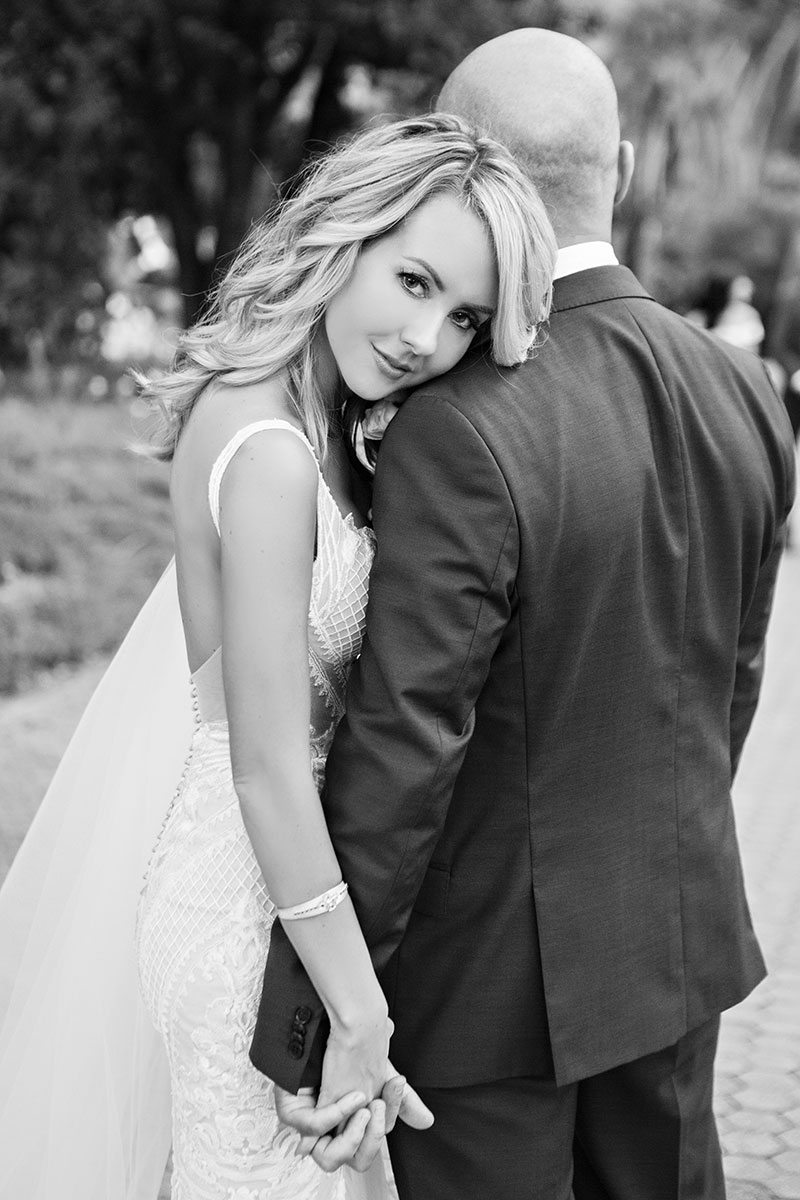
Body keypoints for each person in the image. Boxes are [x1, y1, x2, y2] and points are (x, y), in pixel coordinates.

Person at [251, 29, 797, 1200]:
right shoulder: (744, 391)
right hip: (673, 952)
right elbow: (730, 684)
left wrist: (302, 1031)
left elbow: (404, 744)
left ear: (461, 173)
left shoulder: (461, 418)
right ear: (627, 170)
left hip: (483, 1005)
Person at [0, 113, 557, 1199]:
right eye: (411, 280)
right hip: (244, 904)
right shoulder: (268, 455)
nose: (424, 336)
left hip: (265, 885)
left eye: (463, 318)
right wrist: (359, 1013)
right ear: (345, 233)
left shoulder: (297, 413)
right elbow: (264, 762)